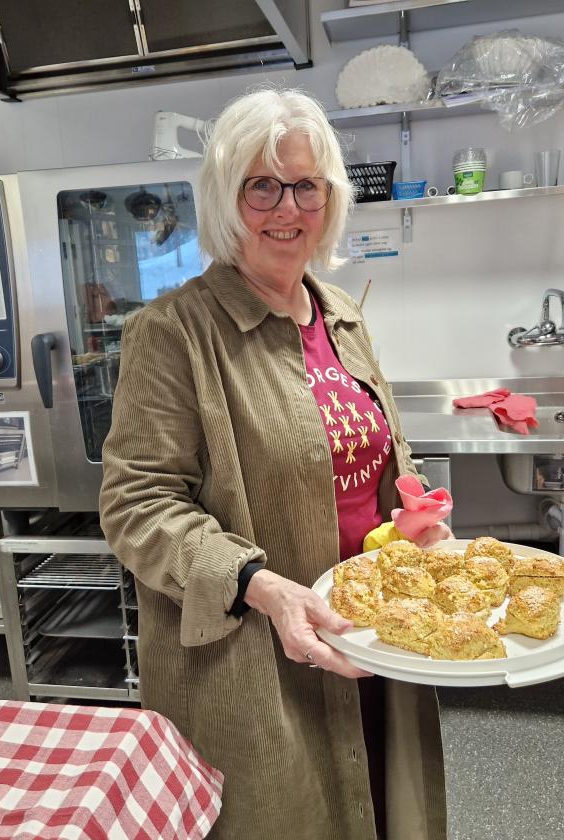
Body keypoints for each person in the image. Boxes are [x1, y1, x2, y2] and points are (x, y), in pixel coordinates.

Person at [99, 87, 448, 840]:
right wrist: (258, 585)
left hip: (369, 634)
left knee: (383, 804)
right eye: (261, 185)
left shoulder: (342, 314)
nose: (286, 208)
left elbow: (378, 457)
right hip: (254, 658)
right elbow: (135, 505)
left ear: (331, 199)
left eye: (306, 186)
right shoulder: (174, 333)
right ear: (226, 199)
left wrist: (414, 514)